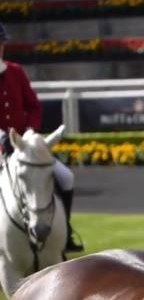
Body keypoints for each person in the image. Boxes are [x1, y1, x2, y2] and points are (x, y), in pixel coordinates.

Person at [0, 22, 84, 253]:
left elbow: (33, 106)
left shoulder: (16, 72)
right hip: (1, 148)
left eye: (1, 43)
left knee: (65, 177)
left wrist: (29, 130)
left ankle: (65, 233)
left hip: (26, 147)